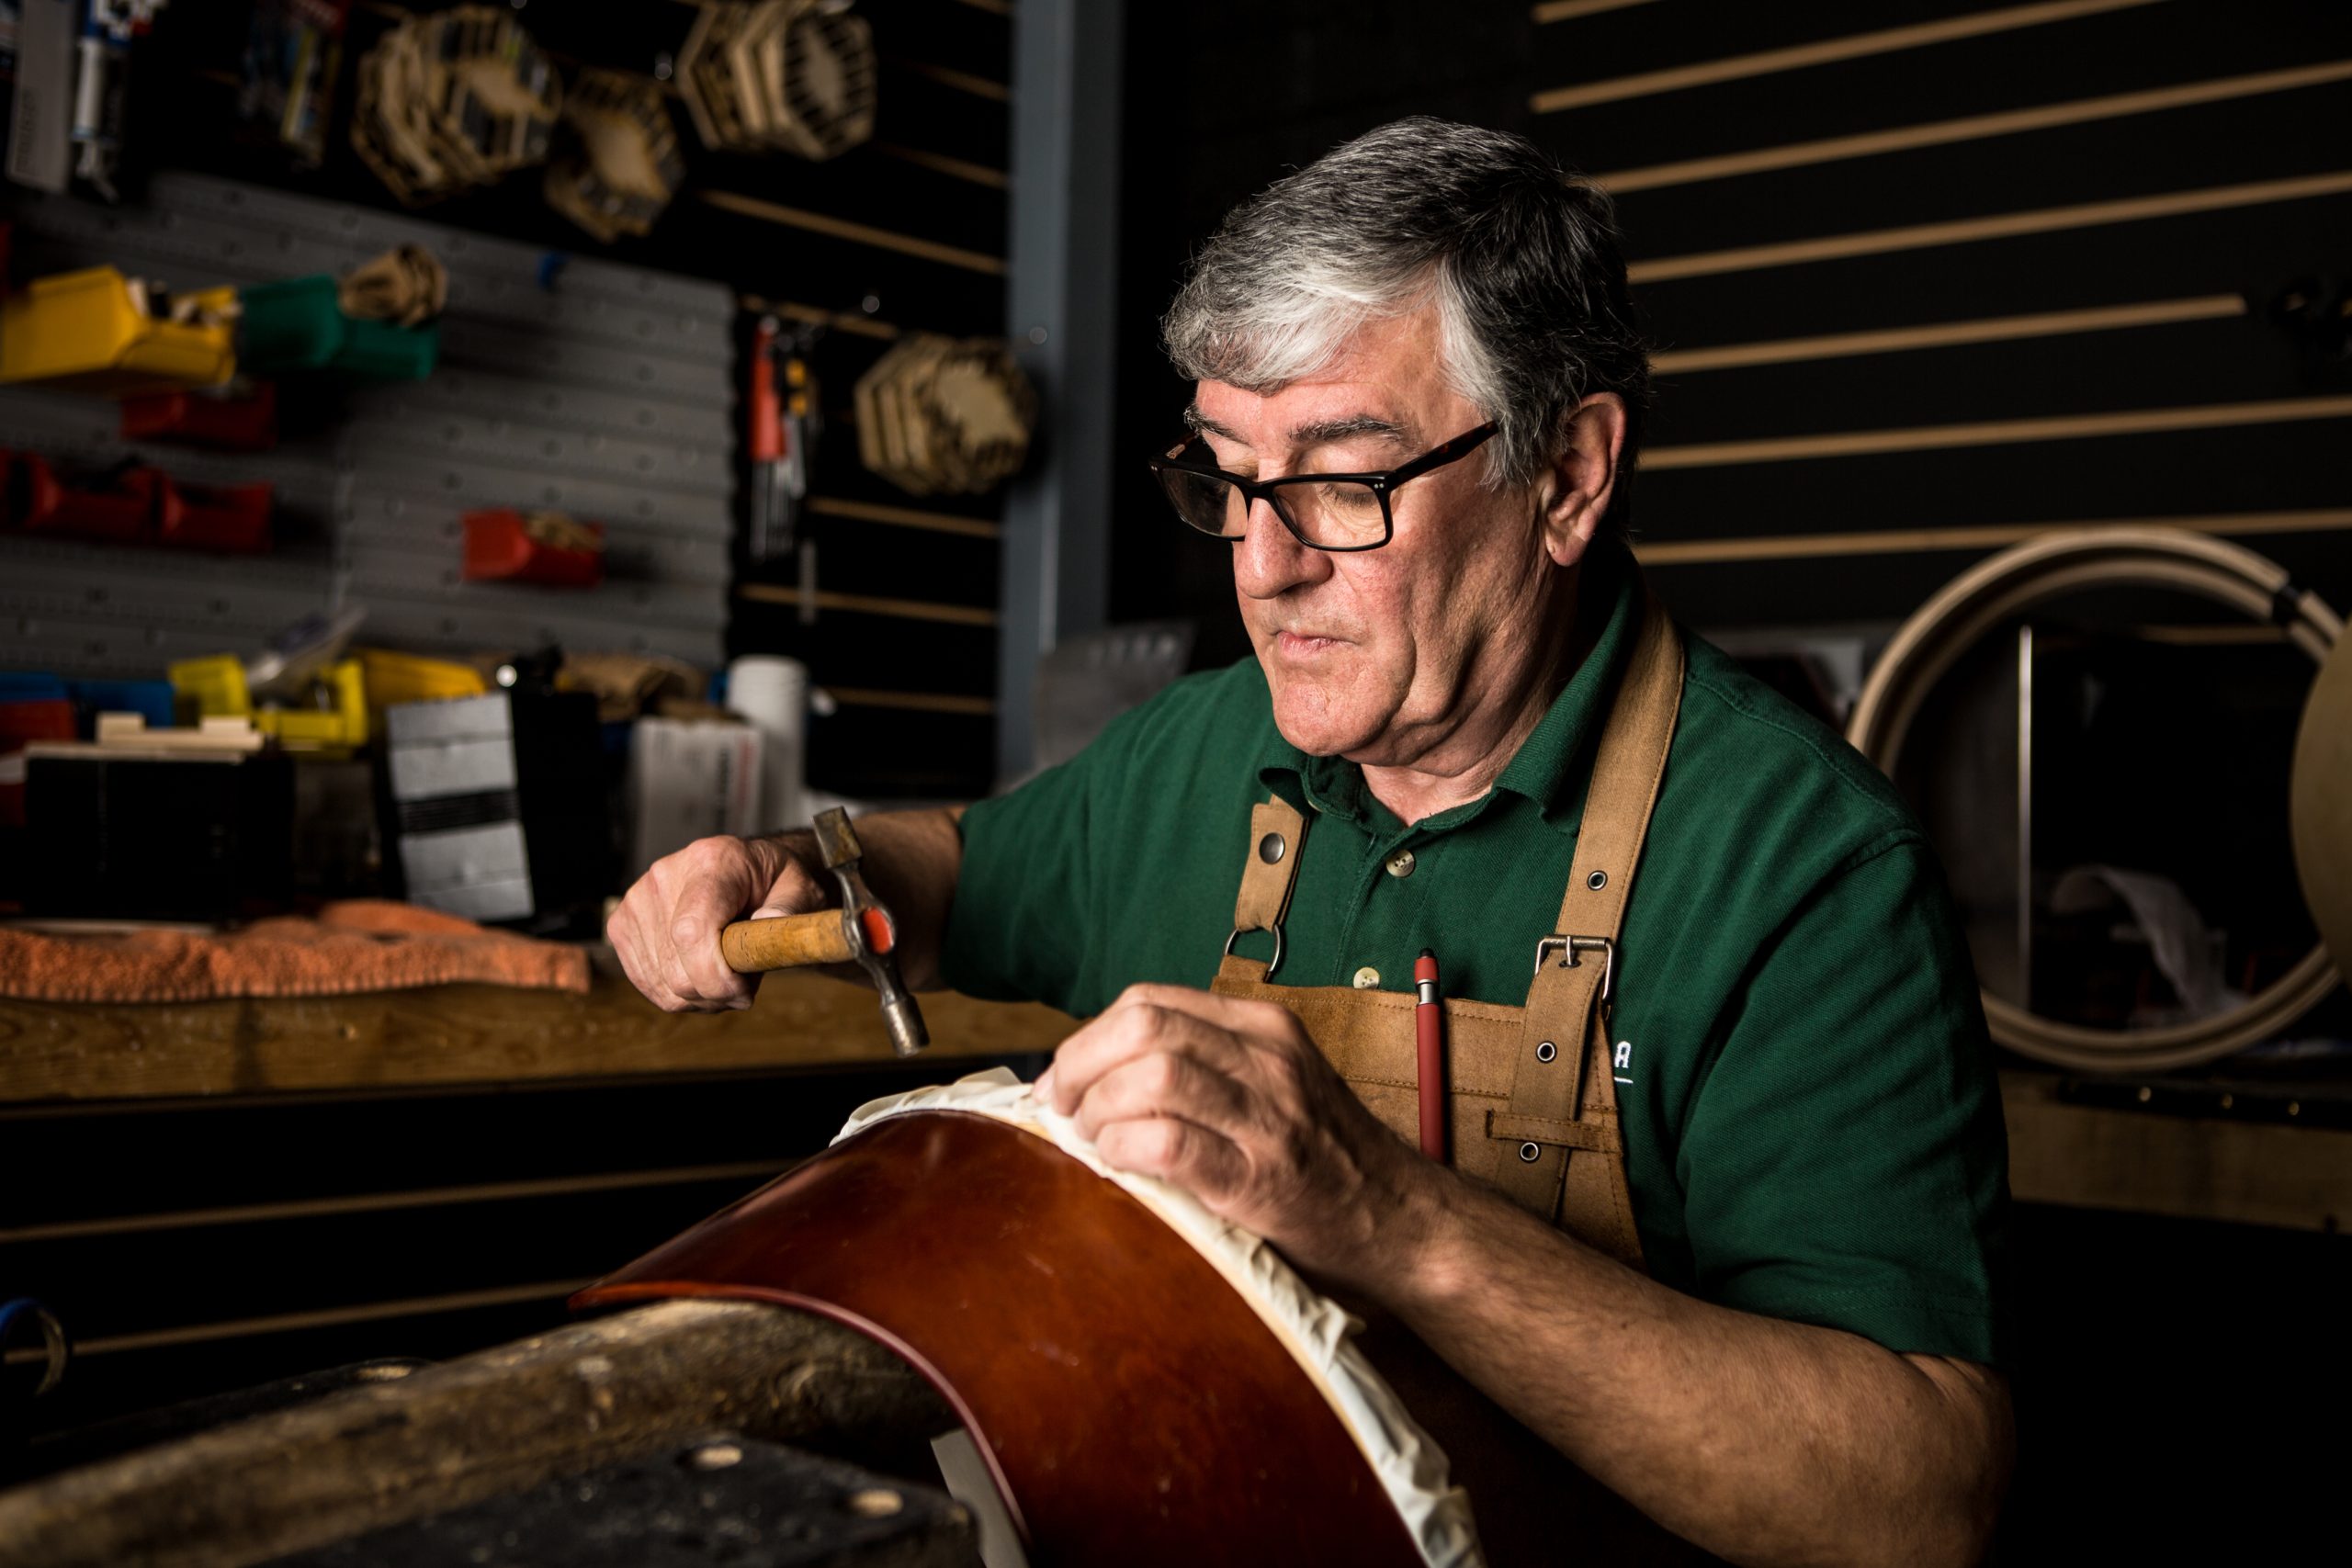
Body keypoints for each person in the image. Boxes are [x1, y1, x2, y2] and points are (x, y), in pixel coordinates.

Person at [610, 118, 2013, 1567]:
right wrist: (793, 867)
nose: (1264, 566)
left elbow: (1912, 1505)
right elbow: (956, 871)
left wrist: (1390, 1217)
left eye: (1344, 480)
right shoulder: (1207, 747)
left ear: (1571, 478)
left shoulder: (1804, 871)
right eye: (1225, 476)